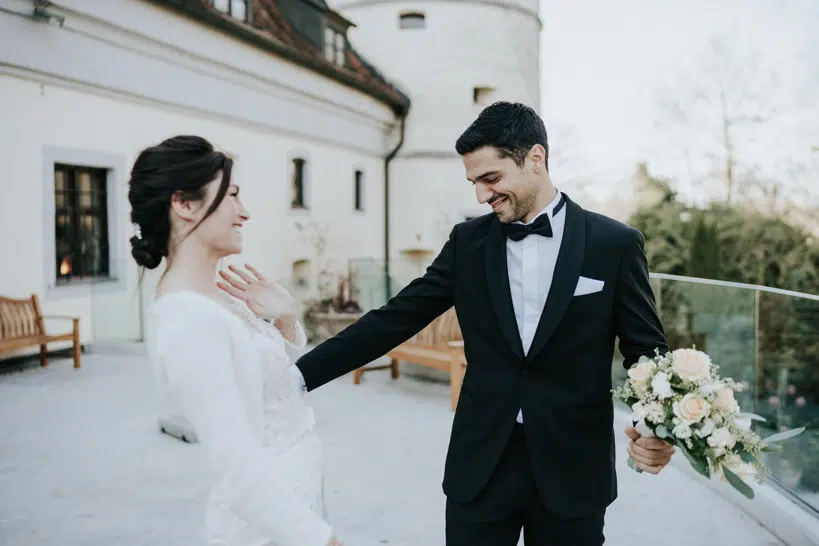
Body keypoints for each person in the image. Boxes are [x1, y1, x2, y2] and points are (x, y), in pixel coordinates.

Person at [291, 102, 675, 545]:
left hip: (574, 469)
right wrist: (294, 378)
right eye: (474, 182)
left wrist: (657, 428)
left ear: (536, 159)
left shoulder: (615, 244)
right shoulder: (467, 243)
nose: (480, 196)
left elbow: (646, 350)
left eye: (490, 179)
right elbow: (393, 320)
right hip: (482, 467)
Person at [129, 135, 341, 546]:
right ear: (184, 204)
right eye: (232, 196)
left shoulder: (221, 294)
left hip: (299, 497)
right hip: (268, 528)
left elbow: (273, 385)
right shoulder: (189, 319)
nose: (244, 213)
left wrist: (284, 319)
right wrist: (322, 541)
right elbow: (237, 468)